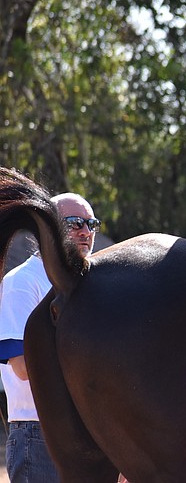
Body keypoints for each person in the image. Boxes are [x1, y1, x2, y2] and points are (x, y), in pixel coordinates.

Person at [0, 193, 100, 483]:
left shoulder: (93, 283)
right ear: (48, 227)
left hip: (93, 431)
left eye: (91, 224)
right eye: (74, 223)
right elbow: (22, 367)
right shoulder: (22, 282)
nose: (85, 232)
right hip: (39, 433)